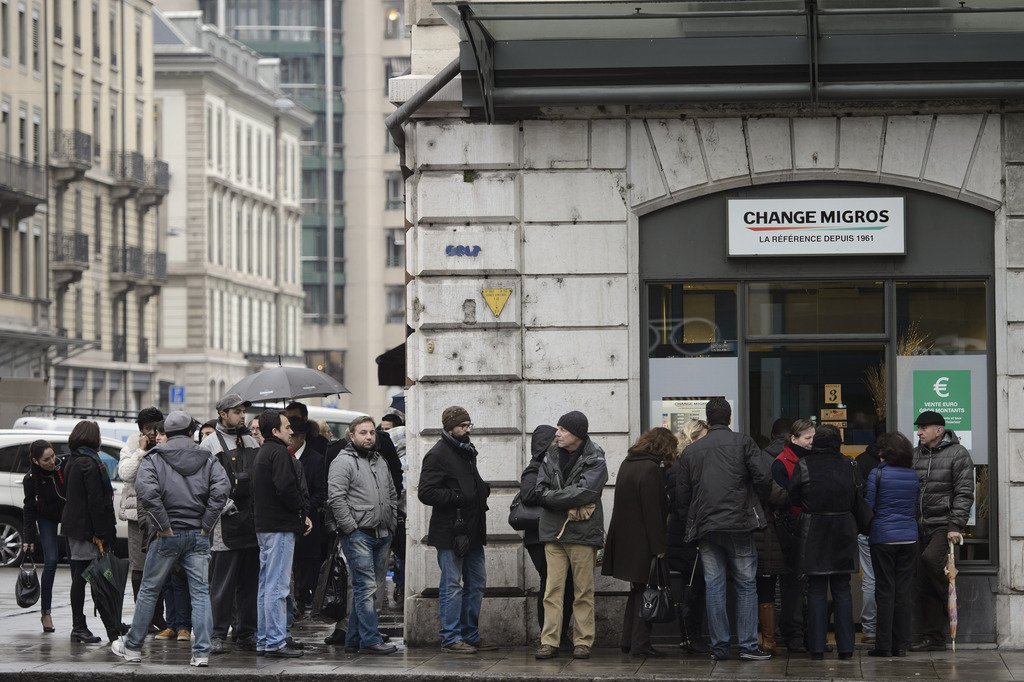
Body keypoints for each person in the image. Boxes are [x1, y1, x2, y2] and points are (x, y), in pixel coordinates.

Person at [111, 411, 230, 667]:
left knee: (149, 590)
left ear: (166, 433)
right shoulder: (207, 458)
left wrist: (163, 525)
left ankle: (132, 648)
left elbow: (146, 491)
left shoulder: (154, 457)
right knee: (200, 593)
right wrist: (207, 524)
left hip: (166, 535)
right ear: (191, 433)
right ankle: (201, 653)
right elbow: (222, 490)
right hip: (198, 534)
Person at [676, 398, 773, 662]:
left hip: (707, 527)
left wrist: (692, 520)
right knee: (746, 585)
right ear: (729, 419)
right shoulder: (743, 442)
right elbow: (764, 477)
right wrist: (756, 505)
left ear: (707, 420)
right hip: (740, 523)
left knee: (714, 586)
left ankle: (719, 648)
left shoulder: (691, 451)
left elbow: (682, 495)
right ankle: (747, 646)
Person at [533, 410, 607, 661]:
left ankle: (583, 642)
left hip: (582, 533)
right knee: (552, 590)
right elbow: (538, 490)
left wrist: (553, 498)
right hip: (553, 532)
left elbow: (585, 493)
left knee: (583, 590)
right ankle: (549, 641)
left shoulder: (595, 457)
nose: (557, 433)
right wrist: (563, 499)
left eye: (562, 430)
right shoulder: (550, 455)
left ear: (576, 434)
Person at [417, 406, 492, 654]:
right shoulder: (437, 454)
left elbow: (470, 483)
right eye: (463, 426)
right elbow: (425, 492)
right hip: (451, 533)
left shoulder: (467, 451)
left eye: (469, 424)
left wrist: (481, 490)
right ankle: (451, 637)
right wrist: (457, 496)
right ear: (450, 427)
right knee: (452, 584)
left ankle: (470, 634)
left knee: (477, 582)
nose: (467, 429)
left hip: (472, 529)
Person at [787, 424, 859, 660]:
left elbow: (793, 496)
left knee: (816, 589)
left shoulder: (804, 465)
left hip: (814, 530)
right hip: (842, 530)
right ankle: (846, 647)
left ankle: (817, 647)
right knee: (842, 588)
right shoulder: (849, 464)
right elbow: (858, 495)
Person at [327, 415, 398, 654]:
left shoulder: (380, 460)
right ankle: (370, 639)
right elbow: (336, 498)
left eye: (371, 432)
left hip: (382, 532)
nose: (368, 437)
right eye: (363, 433)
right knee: (366, 587)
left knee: (368, 588)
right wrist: (351, 528)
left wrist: (392, 522)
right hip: (359, 535)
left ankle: (354, 638)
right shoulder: (342, 462)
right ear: (352, 436)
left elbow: (391, 491)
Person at [602, 427, 674, 657]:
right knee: (648, 593)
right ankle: (640, 645)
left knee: (637, 591)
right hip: (644, 543)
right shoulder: (650, 469)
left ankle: (629, 641)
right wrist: (659, 548)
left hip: (625, 541)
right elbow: (652, 512)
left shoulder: (628, 463)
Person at [200, 393, 260, 654]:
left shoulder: (250, 440)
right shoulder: (209, 444)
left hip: (251, 521)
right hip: (225, 523)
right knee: (222, 585)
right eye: (236, 411)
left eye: (242, 411)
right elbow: (203, 484)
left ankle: (246, 632)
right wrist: (223, 505)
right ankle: (216, 634)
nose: (242, 415)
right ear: (222, 414)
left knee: (249, 583)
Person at [910, 410, 974, 652]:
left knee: (930, 560)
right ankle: (933, 638)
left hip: (942, 525)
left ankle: (952, 604)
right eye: (918, 428)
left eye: (924, 428)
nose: (919, 432)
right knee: (923, 581)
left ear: (939, 430)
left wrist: (955, 525)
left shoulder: (958, 453)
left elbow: (964, 491)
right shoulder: (915, 455)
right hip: (919, 525)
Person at [252, 409, 312, 657]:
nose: (292, 431)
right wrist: (300, 508)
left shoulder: (264, 452)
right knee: (277, 586)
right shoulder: (279, 453)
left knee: (266, 585)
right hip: (279, 527)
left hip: (266, 526)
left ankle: (266, 639)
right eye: (287, 427)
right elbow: (286, 487)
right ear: (275, 431)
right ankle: (275, 641)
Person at [62, 420, 122, 644]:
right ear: (92, 438)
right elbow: (95, 501)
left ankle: (106, 625)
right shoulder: (88, 462)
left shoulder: (75, 459)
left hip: (77, 527)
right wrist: (100, 531)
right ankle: (81, 626)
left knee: (84, 575)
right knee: (84, 576)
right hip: (86, 529)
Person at [519, 425, 573, 652]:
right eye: (553, 443)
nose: (558, 445)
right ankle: (549, 637)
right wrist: (557, 494)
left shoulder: (559, 466)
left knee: (567, 586)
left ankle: (561, 634)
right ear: (544, 447)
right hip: (539, 537)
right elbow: (529, 495)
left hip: (558, 534)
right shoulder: (533, 469)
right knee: (550, 585)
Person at [866, 432, 920, 658]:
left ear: (885, 452)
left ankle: (883, 646)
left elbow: (868, 506)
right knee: (904, 592)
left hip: (883, 538)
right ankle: (901, 645)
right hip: (909, 538)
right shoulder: (913, 476)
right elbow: (915, 505)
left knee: (885, 591)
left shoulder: (876, 474)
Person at [119, 407, 166, 636]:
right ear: (140, 430)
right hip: (137, 515)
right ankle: (143, 618)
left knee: (162, 568)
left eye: (155, 428)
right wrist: (140, 451)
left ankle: (160, 617)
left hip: (162, 513)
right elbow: (126, 474)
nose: (151, 433)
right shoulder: (131, 446)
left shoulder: (165, 444)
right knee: (139, 567)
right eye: (147, 429)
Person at [771, 418, 816, 654]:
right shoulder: (781, 463)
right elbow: (781, 501)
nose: (811, 442)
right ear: (793, 438)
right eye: (807, 438)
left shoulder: (811, 459)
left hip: (811, 528)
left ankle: (811, 634)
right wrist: (792, 525)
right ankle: (793, 635)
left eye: (813, 438)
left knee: (810, 586)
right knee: (792, 588)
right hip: (793, 531)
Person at [666, 418, 710, 654]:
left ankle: (692, 637)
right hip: (686, 537)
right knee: (692, 587)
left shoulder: (683, 463)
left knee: (694, 586)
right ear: (693, 438)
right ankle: (690, 638)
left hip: (687, 535)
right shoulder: (681, 466)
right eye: (704, 437)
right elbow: (682, 506)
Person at [284, 402, 327, 618]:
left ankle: (300, 602)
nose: (289, 439)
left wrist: (304, 510)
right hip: (285, 520)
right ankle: (290, 602)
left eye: (293, 436)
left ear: (302, 437)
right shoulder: (281, 456)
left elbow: (321, 491)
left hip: (308, 521)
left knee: (303, 564)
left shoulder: (316, 460)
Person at [22, 439, 66, 633]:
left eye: (53, 456)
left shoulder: (63, 465)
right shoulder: (31, 478)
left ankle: (79, 618)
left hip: (67, 515)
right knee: (51, 561)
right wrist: (28, 538)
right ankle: (46, 612)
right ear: (36, 460)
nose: (51, 461)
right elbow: (29, 508)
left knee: (76, 560)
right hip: (46, 517)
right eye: (46, 459)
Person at [855, 421, 886, 646]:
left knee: (870, 580)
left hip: (866, 528)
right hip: (891, 530)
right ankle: (888, 626)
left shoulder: (861, 461)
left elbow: (856, 498)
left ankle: (870, 629)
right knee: (889, 578)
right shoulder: (901, 464)